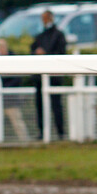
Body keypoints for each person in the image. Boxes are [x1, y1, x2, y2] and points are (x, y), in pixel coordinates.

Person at [31, 10, 66, 140]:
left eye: (46, 18)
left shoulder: (59, 35)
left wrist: (45, 53)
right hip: (40, 77)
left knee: (56, 105)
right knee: (39, 106)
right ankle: (42, 132)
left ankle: (60, 132)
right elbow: (32, 51)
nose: (44, 21)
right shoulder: (39, 36)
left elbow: (61, 53)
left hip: (54, 77)